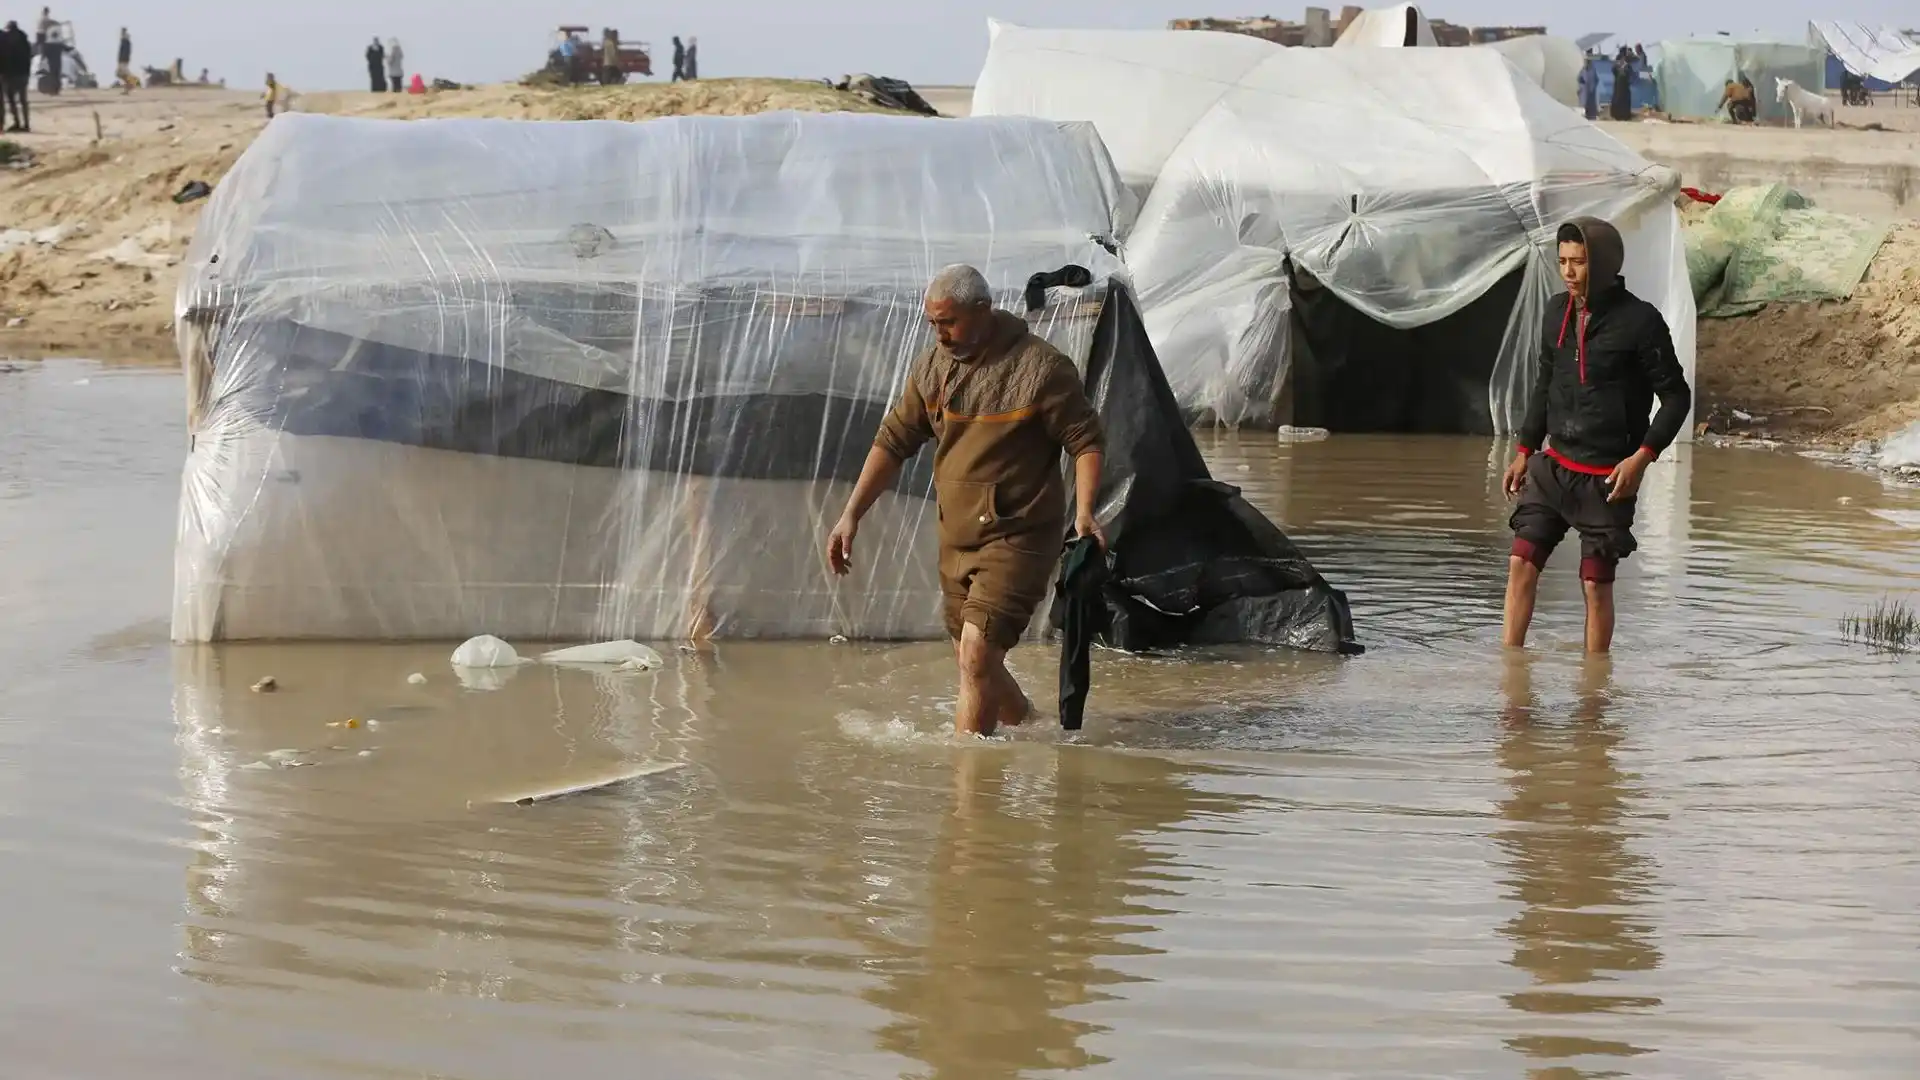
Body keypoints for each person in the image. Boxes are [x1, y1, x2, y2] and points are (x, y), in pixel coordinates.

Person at [826, 265, 1106, 737]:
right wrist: (850, 515)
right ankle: (1036, 731)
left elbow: (1086, 441)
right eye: (933, 323)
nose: (940, 334)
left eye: (949, 322)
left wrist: (1084, 512)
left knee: (977, 653)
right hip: (957, 536)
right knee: (972, 659)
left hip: (1019, 534)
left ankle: (969, 786)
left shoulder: (1041, 368)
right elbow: (893, 440)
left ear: (983, 310)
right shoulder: (933, 367)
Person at [1501, 218, 1692, 654]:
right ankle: (1509, 683)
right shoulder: (1554, 312)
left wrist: (1641, 458)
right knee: (1520, 565)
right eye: (1563, 261)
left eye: (1579, 262)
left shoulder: (1641, 322)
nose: (1568, 272)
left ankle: (1593, 696)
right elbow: (1544, 384)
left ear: (1602, 264)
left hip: (1608, 479)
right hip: (1552, 470)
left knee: (1595, 586)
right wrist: (1524, 450)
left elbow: (1676, 397)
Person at [0, 20, 30, 132]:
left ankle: (17, 122)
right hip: (24, 74)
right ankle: (26, 124)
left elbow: (7, 58)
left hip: (11, 74)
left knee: (11, 99)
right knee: (23, 100)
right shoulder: (24, 39)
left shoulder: (7, 41)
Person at [1608, 47, 1634, 121]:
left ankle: (1617, 114)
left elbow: (1613, 71)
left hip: (1619, 85)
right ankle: (1623, 115)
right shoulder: (1625, 64)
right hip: (1623, 85)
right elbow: (1630, 73)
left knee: (1618, 98)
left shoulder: (1618, 63)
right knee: (1623, 99)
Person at [115, 26, 134, 94]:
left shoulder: (125, 40)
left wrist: (123, 59)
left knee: (123, 73)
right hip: (122, 60)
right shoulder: (124, 40)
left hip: (123, 60)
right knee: (120, 74)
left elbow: (125, 51)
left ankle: (130, 84)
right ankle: (128, 86)